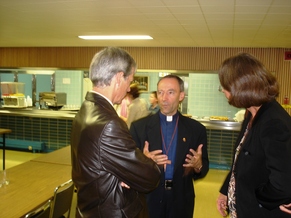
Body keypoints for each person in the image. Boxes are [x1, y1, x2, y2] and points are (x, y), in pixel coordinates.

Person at [70, 47, 161, 218]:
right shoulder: (109, 124)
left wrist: (123, 172)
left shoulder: (85, 111)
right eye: (130, 80)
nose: (128, 89)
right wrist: (145, 162)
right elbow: (150, 178)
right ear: (119, 78)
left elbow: (97, 164)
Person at [216, 53, 291, 218]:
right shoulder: (252, 113)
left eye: (226, 86)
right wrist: (226, 191)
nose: (223, 90)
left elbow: (283, 183)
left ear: (242, 87)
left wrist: (253, 198)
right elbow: (240, 161)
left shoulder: (273, 122)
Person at [130, 74, 209, 218]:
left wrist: (198, 166)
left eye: (170, 92)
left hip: (181, 198)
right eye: (160, 92)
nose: (164, 98)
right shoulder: (139, 127)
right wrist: (144, 161)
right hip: (150, 197)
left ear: (181, 96)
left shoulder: (196, 129)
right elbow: (129, 167)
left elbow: (204, 167)